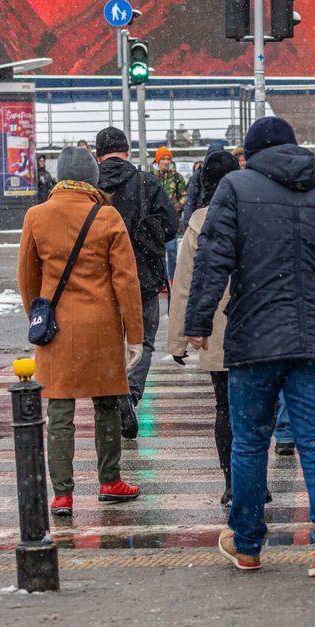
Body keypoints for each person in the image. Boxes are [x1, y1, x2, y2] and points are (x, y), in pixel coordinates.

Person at [186, 116, 315, 577]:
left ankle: (247, 543)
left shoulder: (235, 188)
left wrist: (198, 321)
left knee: (250, 441)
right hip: (314, 339)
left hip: (255, 336)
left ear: (251, 155)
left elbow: (213, 257)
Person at [17, 146, 144, 517]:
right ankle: (110, 481)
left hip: (57, 328)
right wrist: (134, 334)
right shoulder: (106, 216)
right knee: (107, 406)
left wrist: (38, 315)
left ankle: (62, 494)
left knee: (60, 410)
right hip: (101, 327)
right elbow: (126, 281)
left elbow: (27, 277)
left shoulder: (36, 216)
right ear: (93, 178)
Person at [167, 152, 245, 506]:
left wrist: (178, 341)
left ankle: (231, 482)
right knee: (255, 409)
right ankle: (255, 478)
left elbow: (184, 283)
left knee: (224, 407)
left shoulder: (199, 222)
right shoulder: (254, 212)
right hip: (254, 324)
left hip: (216, 325)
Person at [95, 127, 177, 417]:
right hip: (143, 277)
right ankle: (130, 392)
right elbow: (171, 226)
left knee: (107, 342)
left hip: (100, 278)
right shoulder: (146, 183)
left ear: (98, 156)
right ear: (127, 152)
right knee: (143, 341)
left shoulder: (91, 187)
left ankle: (109, 398)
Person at [153, 147, 187, 283]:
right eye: (163, 159)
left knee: (172, 250)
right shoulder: (151, 177)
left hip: (171, 220)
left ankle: (172, 279)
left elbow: (184, 196)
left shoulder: (177, 177)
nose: (166, 162)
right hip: (155, 219)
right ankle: (162, 280)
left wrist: (174, 208)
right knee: (158, 251)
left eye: (168, 159)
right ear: (158, 160)